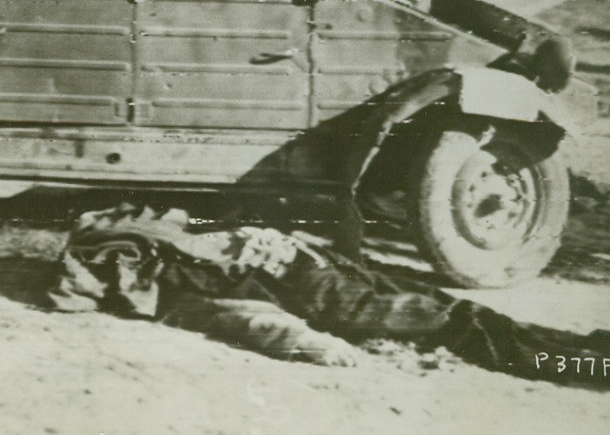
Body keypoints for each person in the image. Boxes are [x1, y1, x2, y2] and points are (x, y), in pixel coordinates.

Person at [49, 204, 610, 388]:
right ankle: (590, 355)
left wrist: (310, 341)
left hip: (319, 284)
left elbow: (242, 316)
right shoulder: (175, 244)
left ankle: (590, 359)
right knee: (465, 318)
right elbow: (246, 310)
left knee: (463, 324)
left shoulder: (167, 277)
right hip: (316, 268)